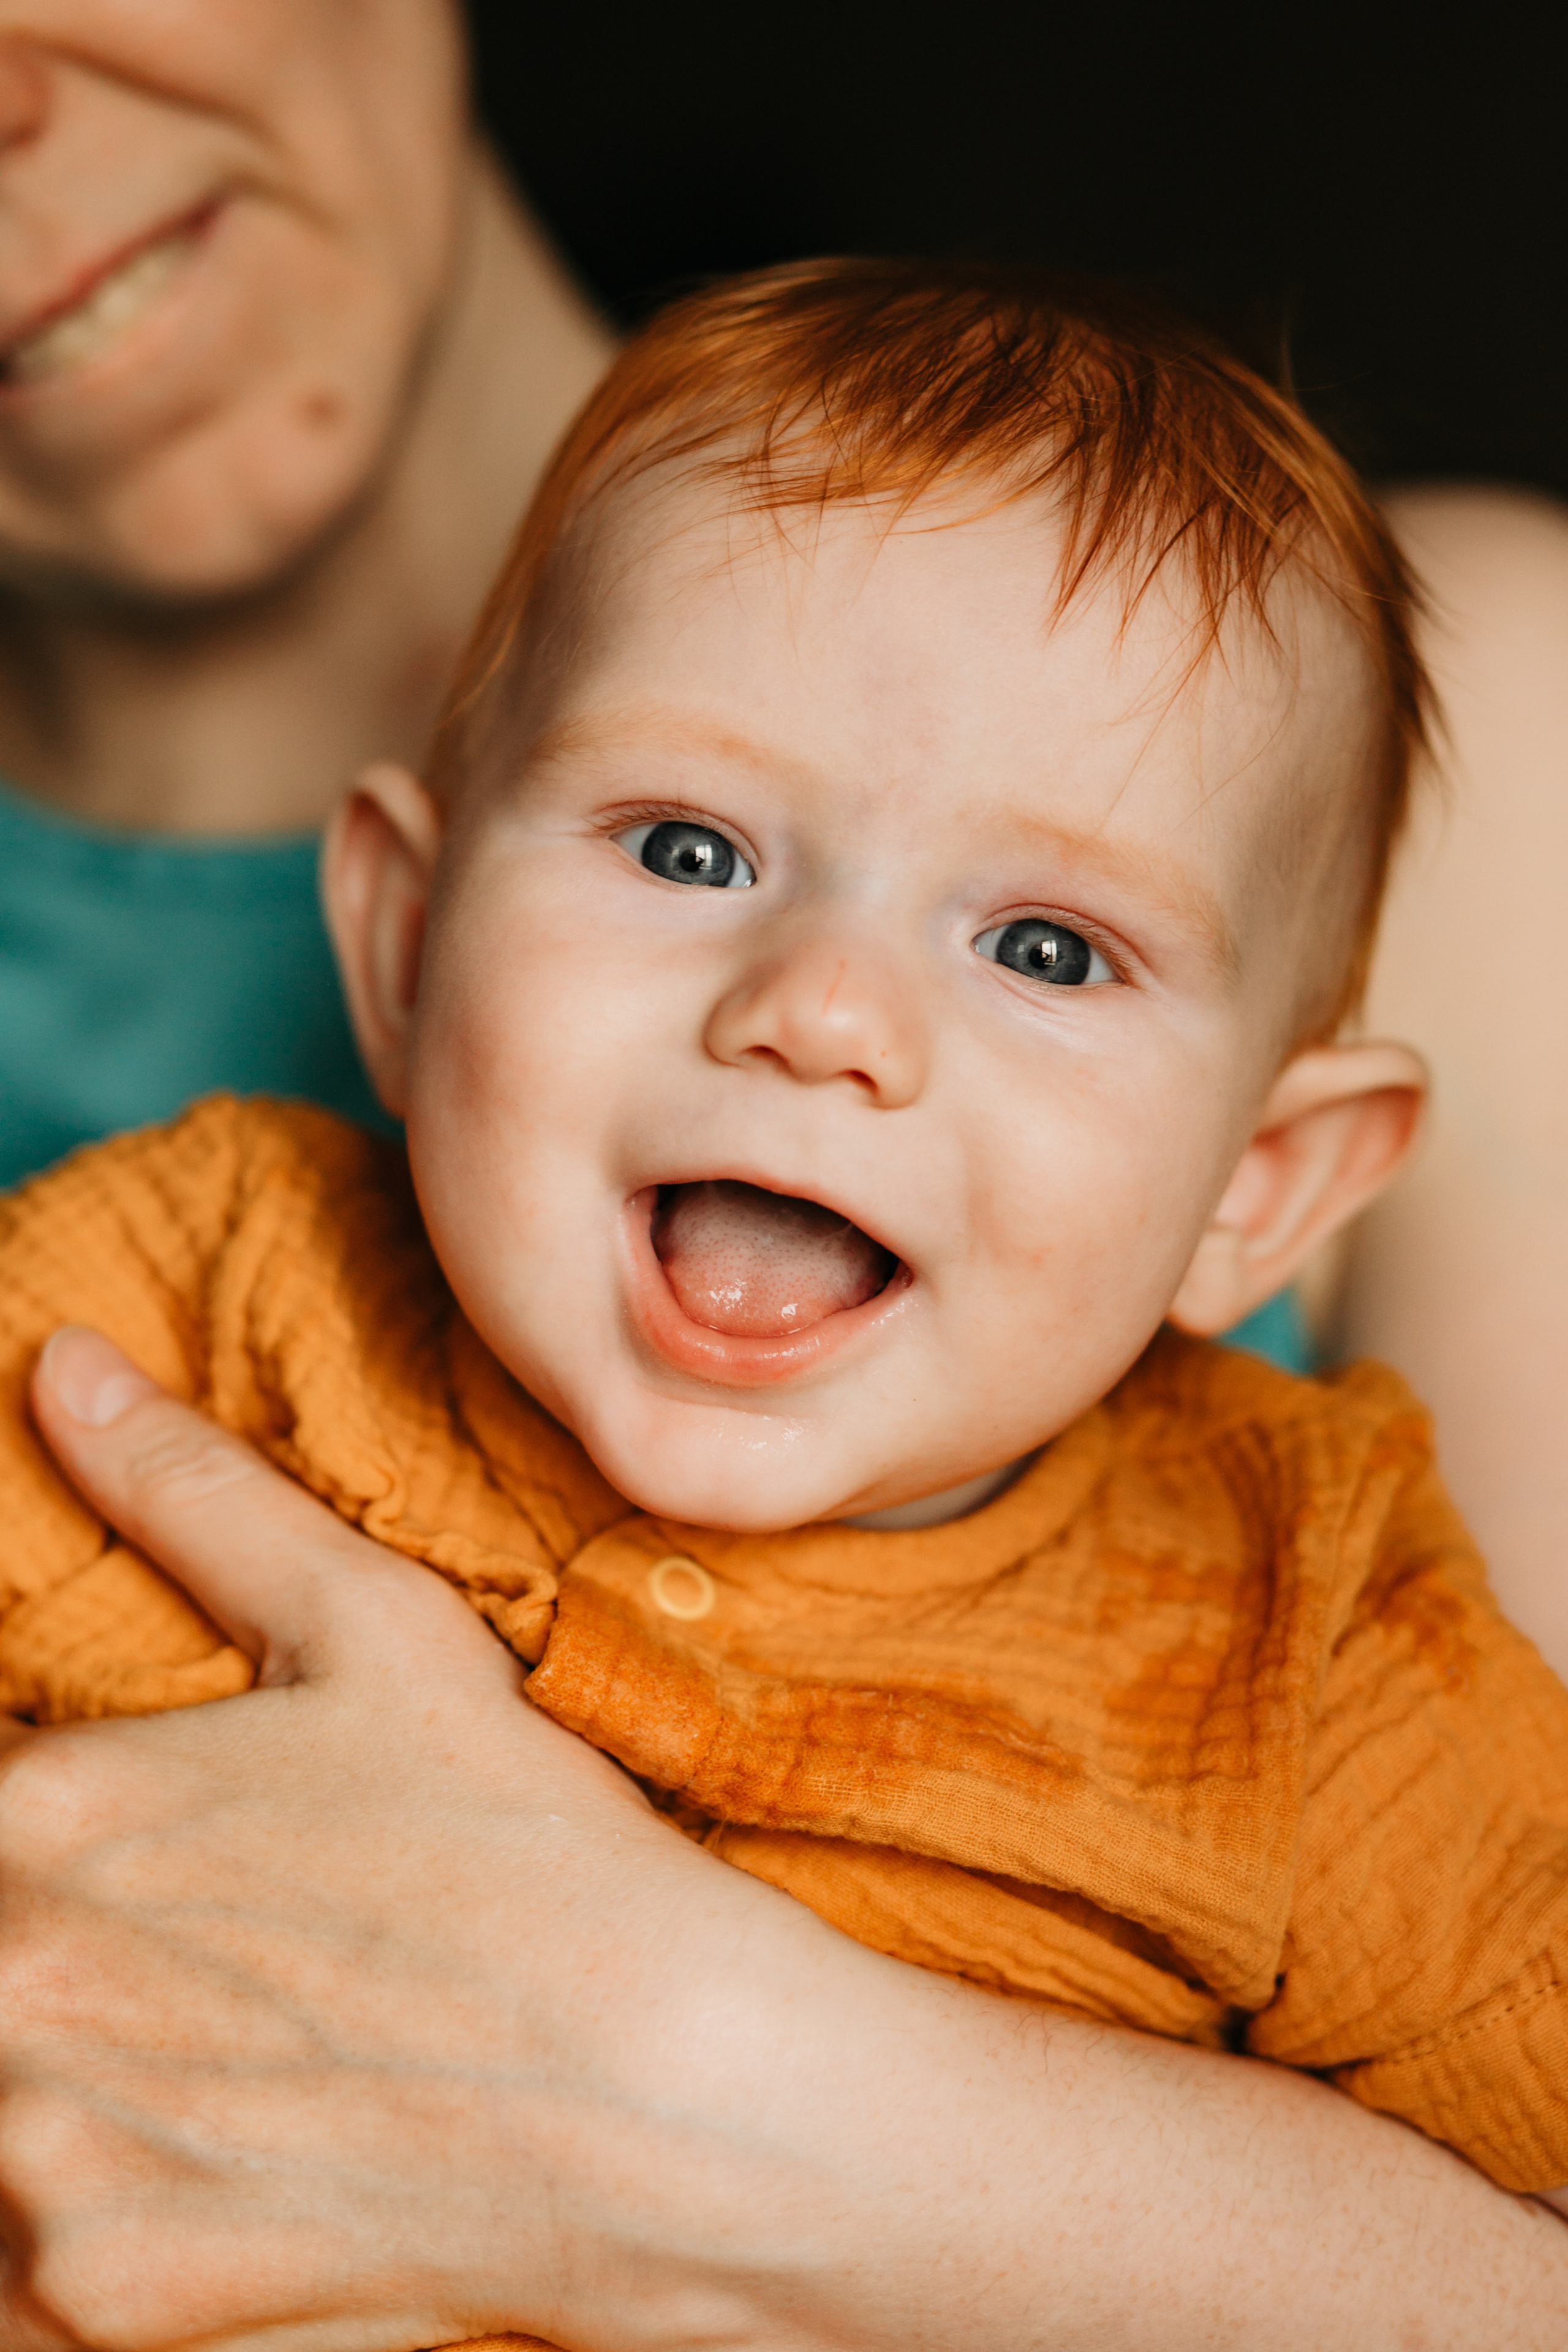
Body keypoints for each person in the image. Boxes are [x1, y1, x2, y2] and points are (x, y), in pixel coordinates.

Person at [0, 6, 1566, 2345]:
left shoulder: (1320, 1632)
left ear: (1270, 1183)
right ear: (402, 949)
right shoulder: (212, 1271)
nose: (826, 1013)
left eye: (1045, 945)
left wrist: (690, 2083)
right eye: (689, 847)